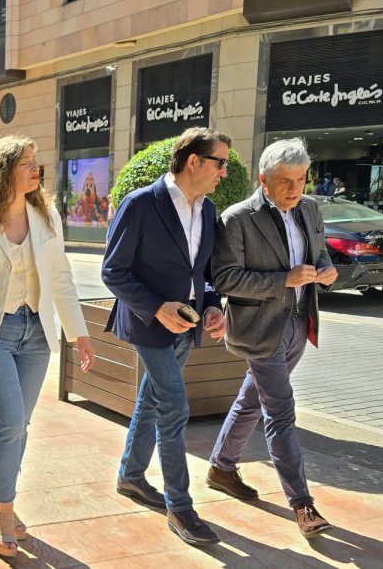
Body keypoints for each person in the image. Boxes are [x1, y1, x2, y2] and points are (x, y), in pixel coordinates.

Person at [0, 136, 96, 557]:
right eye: (27, 162)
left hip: (36, 334)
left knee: (18, 426)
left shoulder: (46, 217)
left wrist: (78, 333)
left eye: (36, 162)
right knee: (9, 423)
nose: (36, 169)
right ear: (4, 168)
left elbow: (61, 278)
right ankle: (4, 510)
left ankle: (0, 496)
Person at [101, 127, 230, 546]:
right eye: (220, 163)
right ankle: (180, 507)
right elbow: (113, 271)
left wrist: (211, 305)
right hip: (147, 323)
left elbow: (204, 274)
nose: (224, 173)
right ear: (193, 161)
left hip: (187, 324)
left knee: (152, 399)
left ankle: (131, 476)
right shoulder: (141, 204)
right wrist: (157, 307)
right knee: (174, 407)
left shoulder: (207, 210)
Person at [207, 138, 337, 537]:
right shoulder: (237, 218)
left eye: (301, 179)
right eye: (285, 181)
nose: (295, 188)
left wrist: (328, 272)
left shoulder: (310, 208)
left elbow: (321, 254)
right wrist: (283, 280)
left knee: (252, 398)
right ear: (263, 179)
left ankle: (220, 467)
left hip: (300, 321)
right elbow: (225, 278)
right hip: (259, 328)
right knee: (280, 410)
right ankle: (302, 503)